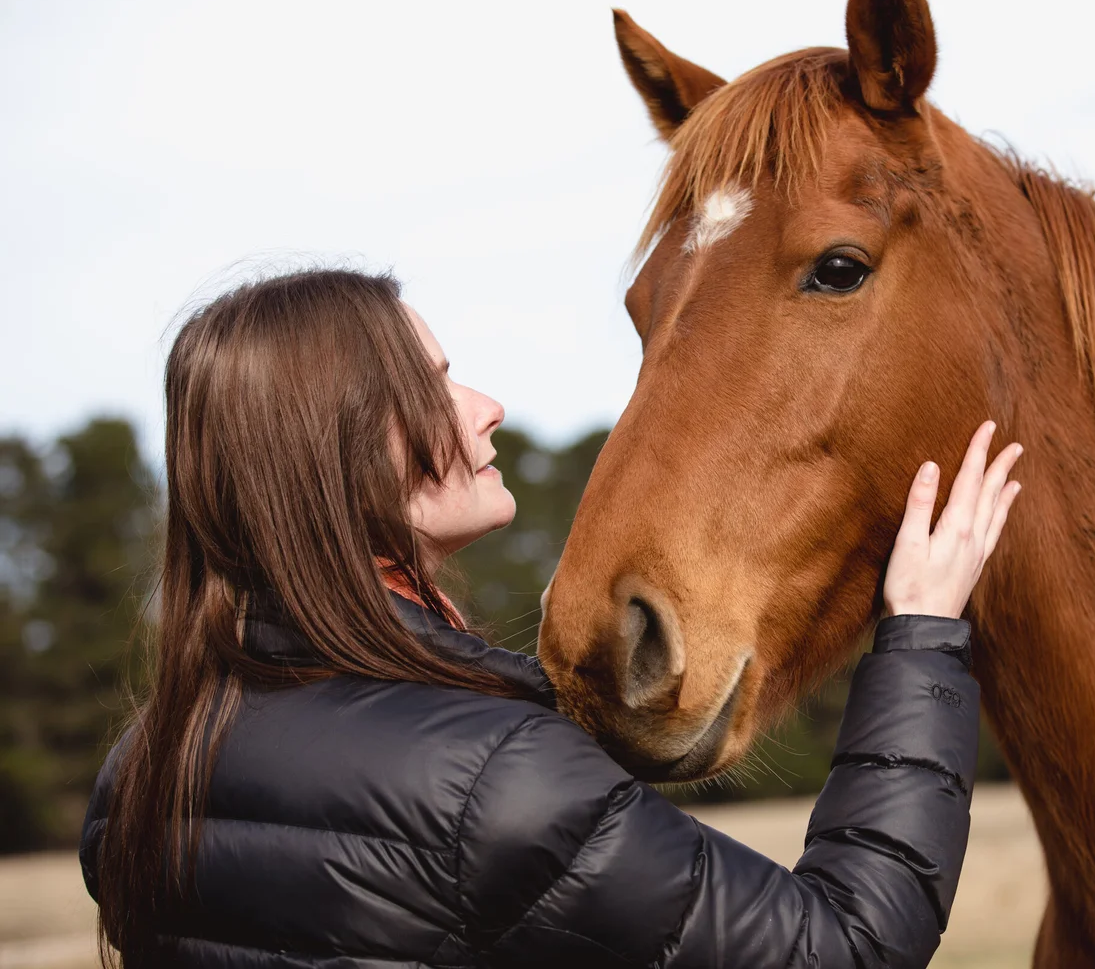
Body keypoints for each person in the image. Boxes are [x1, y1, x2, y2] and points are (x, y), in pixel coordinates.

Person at [79, 269, 1024, 969]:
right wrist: (921, 636)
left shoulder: (142, 777)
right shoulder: (492, 780)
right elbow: (845, 949)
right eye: (434, 384)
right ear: (340, 451)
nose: (487, 408)